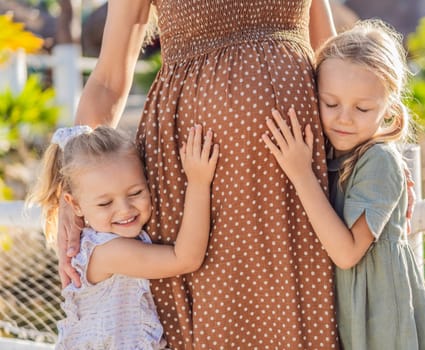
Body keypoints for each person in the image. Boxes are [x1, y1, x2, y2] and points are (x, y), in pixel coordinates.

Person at [56, 1, 340, 348]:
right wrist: (68, 187)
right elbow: (108, 79)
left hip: (297, 176)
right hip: (194, 179)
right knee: (214, 315)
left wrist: (374, 153)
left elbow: (332, 55)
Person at [262, 19, 425, 350]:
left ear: (389, 109)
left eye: (362, 108)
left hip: (381, 319)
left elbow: (346, 253)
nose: (343, 118)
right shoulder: (329, 153)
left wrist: (301, 174)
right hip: (347, 310)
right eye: (330, 104)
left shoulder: (379, 161)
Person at [27, 125, 218, 349]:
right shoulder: (107, 252)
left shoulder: (109, 242)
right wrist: (198, 182)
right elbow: (186, 258)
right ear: (75, 205)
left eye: (136, 193)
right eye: (105, 203)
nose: (125, 209)